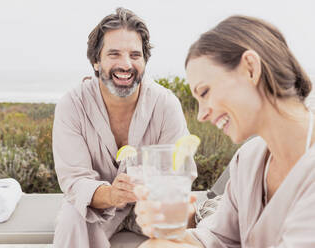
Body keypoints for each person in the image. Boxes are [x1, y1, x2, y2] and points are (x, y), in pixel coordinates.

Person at [135, 15, 315, 248]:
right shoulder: (249, 160)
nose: (200, 115)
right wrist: (175, 231)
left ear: (251, 69)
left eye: (205, 91)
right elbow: (219, 238)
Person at [52, 7, 191, 248]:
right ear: (96, 61)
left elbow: (180, 170)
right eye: (114, 54)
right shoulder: (72, 106)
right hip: (98, 209)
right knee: (71, 216)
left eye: (135, 55)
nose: (126, 64)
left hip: (152, 208)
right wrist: (112, 195)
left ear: (145, 61)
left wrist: (156, 192)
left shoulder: (166, 104)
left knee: (186, 221)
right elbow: (74, 181)